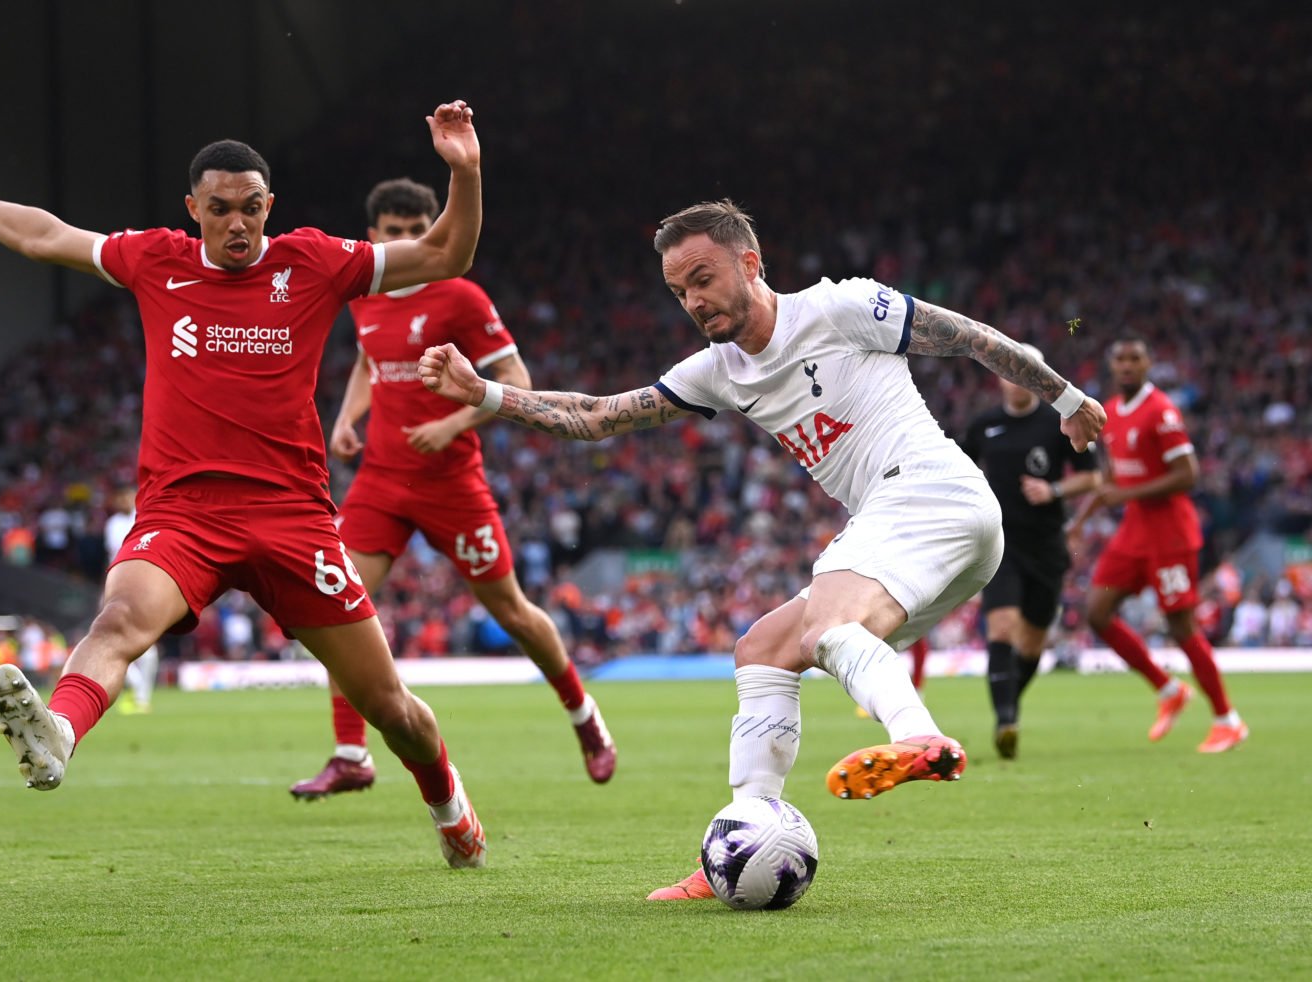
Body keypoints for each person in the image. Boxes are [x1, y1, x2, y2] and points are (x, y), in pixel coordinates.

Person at [416, 199, 1106, 899]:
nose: (693, 300)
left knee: (830, 625)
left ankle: (918, 735)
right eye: (679, 290)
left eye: (703, 278)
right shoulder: (715, 371)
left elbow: (967, 338)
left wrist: (1066, 398)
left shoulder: (839, 308)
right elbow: (596, 417)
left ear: (749, 263)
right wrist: (485, 392)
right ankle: (744, 833)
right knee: (764, 650)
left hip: (930, 491)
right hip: (938, 532)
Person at [0, 100, 493, 868]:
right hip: (184, 513)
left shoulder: (314, 262)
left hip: (293, 519)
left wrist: (463, 171)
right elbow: (42, 236)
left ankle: (450, 805)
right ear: (192, 210)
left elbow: (447, 256)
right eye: (218, 211)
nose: (236, 225)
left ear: (269, 207)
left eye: (249, 209)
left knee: (390, 710)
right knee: (117, 623)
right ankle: (60, 733)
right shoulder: (155, 259)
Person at [289, 178, 616, 799]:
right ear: (374, 236)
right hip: (382, 481)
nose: (407, 240)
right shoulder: (363, 292)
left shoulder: (460, 296)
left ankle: (583, 715)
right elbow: (367, 359)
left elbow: (514, 377)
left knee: (511, 612)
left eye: (419, 229)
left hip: (452, 484)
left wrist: (455, 420)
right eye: (394, 230)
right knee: (335, 604)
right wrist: (348, 417)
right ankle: (351, 753)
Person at [1071, 337, 1248, 753]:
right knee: (1097, 612)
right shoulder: (1110, 412)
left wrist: (1126, 495)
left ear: (1149, 363)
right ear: (1112, 366)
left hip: (1170, 535)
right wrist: (1078, 522)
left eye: (1136, 358)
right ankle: (1168, 690)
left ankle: (1228, 719)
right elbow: (1114, 481)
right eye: (1121, 359)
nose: (1128, 366)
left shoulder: (1162, 411)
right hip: (1134, 533)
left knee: (1180, 626)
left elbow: (1188, 475)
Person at [960, 344, 1099, 759]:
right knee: (1001, 628)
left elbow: (1093, 478)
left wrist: (1053, 489)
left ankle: (1010, 705)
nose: (1016, 379)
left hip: (1047, 546)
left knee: (1033, 645)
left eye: (1026, 372)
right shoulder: (983, 426)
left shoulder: (1058, 422)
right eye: (1009, 371)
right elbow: (959, 470)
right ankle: (1006, 720)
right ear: (999, 376)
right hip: (1000, 545)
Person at [103, 486, 158, 714]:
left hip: (146, 584)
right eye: (121, 497)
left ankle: (140, 696)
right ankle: (136, 690)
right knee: (116, 640)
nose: (124, 501)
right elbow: (115, 554)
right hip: (121, 583)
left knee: (148, 648)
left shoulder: (145, 517)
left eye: (128, 496)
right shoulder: (113, 524)